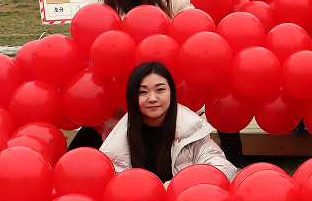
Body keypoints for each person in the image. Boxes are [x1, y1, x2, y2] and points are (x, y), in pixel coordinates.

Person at [69, 0, 196, 155]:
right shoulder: (102, 4)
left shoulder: (174, 0)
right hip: (113, 106)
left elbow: (193, 44)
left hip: (160, 104)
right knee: (77, 155)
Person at [100, 62, 237, 182]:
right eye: (143, 92)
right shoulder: (117, 143)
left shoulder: (190, 132)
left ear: (171, 92)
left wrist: (179, 184)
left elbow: (224, 170)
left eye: (160, 90)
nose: (152, 98)